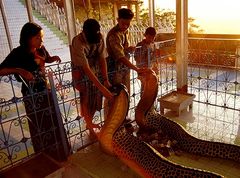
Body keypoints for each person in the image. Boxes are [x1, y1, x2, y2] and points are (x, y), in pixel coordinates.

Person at [0, 22, 69, 161]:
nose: (41, 40)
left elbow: (46, 59)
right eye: (37, 37)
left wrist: (52, 58)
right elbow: (1, 70)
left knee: (53, 120)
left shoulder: (41, 49)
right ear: (27, 38)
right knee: (39, 123)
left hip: (46, 89)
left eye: (41, 37)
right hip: (31, 94)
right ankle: (44, 154)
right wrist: (19, 70)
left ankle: (60, 151)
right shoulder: (18, 53)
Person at [71, 19, 114, 136]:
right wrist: (102, 88)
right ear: (83, 32)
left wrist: (105, 80)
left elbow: (102, 58)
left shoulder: (99, 37)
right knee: (86, 99)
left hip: (95, 71)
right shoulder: (78, 42)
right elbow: (85, 67)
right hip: (81, 73)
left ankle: (89, 121)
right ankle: (89, 125)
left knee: (96, 99)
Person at [106, 8, 144, 92]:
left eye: (128, 24)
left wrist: (128, 49)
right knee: (117, 96)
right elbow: (120, 57)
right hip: (115, 70)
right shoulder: (114, 34)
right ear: (118, 20)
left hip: (125, 68)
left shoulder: (125, 32)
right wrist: (136, 69)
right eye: (123, 23)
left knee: (126, 94)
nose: (125, 26)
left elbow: (123, 49)